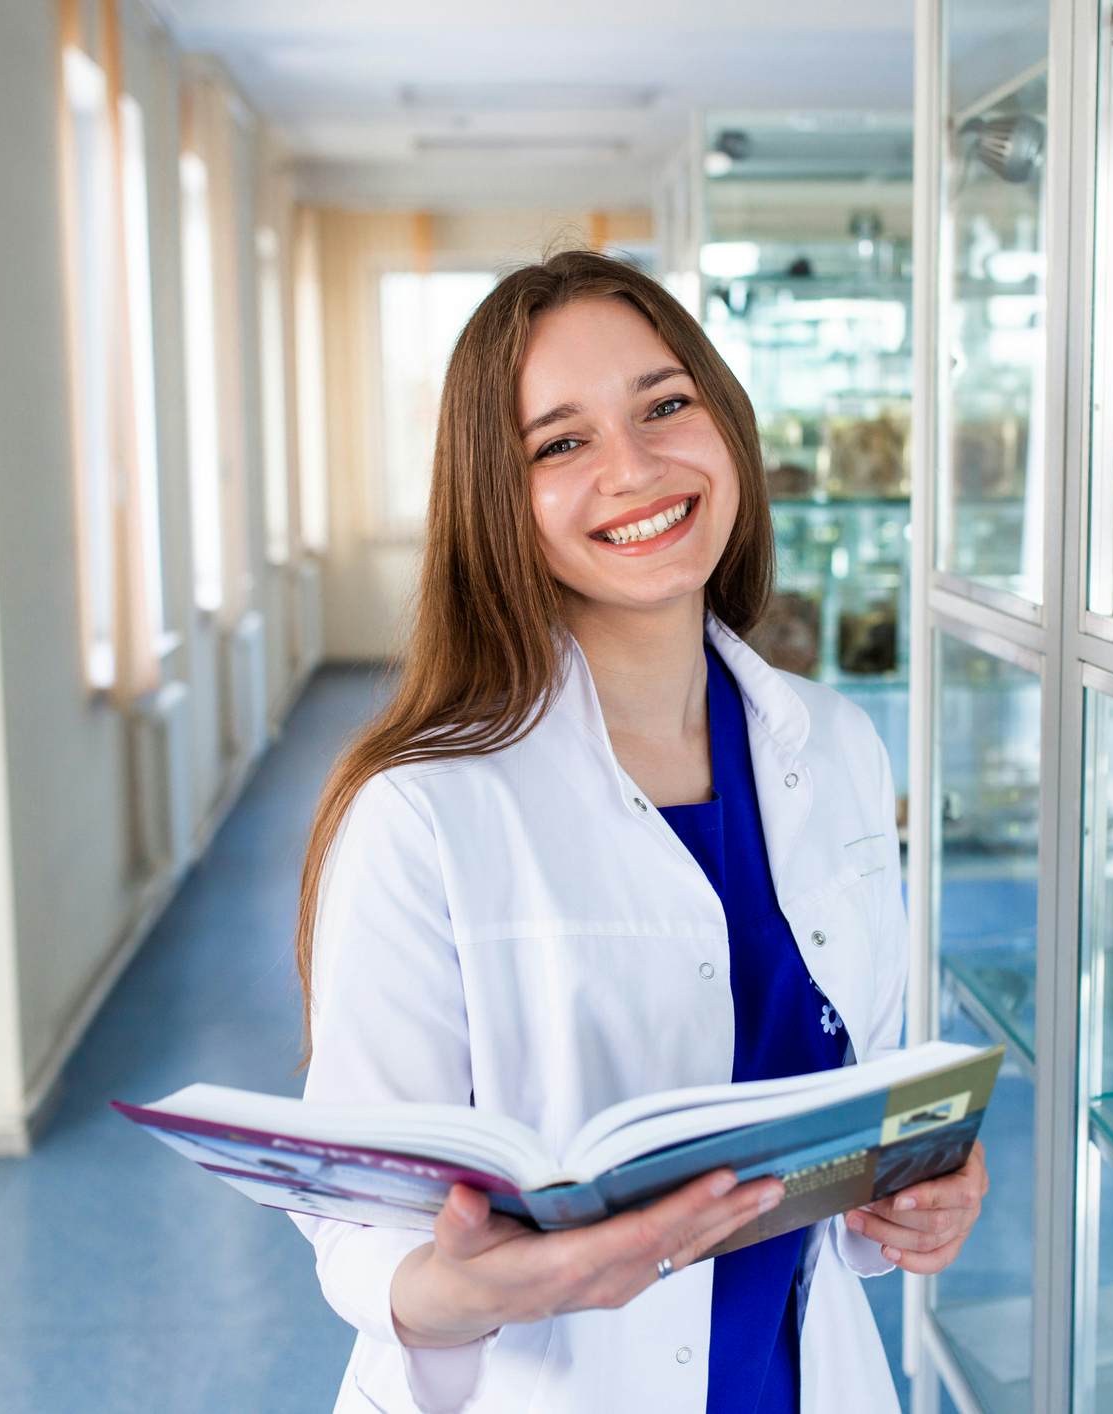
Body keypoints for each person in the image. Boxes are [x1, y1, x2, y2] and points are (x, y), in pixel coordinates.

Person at [292, 249, 988, 1413]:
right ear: (498, 503)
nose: (637, 467)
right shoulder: (421, 811)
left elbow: (849, 1122)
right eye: (560, 443)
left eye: (667, 405)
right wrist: (462, 1286)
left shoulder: (839, 750)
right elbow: (362, 1229)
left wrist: (910, 1197)